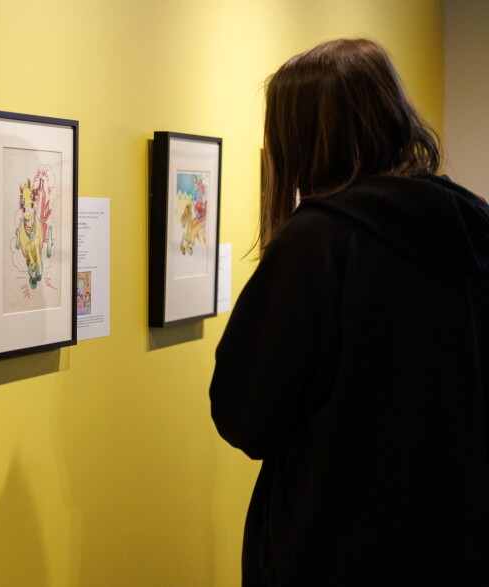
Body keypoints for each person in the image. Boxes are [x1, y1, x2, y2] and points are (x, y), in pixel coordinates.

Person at [209, 38, 489, 586]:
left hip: (335, 549)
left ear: (306, 139)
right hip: (460, 547)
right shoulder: (475, 228)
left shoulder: (316, 244)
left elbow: (245, 417)